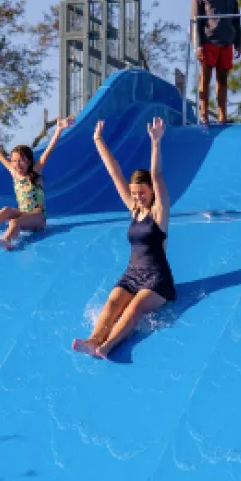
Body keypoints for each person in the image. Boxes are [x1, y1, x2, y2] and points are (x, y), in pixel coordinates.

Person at [73, 117, 175, 359]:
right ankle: (93, 339)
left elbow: (157, 175)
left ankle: (106, 346)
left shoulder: (159, 213)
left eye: (142, 192)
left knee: (134, 308)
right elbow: (114, 172)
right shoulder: (134, 210)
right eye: (134, 193)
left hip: (157, 279)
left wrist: (156, 143)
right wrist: (98, 140)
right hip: (132, 274)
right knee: (112, 303)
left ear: (151, 191)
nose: (138, 197)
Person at [0, 112, 72, 248]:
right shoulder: (14, 172)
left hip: (38, 218)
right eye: (14, 161)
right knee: (6, 210)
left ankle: (6, 240)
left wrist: (58, 129)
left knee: (14, 223)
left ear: (28, 161)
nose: (17, 164)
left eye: (21, 161)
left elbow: (49, 150)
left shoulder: (35, 172)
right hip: (24, 214)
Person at [191, 0, 241, 125]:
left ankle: (222, 116)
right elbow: (195, 20)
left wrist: (238, 42)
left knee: (222, 80)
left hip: (226, 40)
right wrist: (198, 44)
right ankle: (204, 113)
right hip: (208, 41)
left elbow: (236, 18)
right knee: (205, 78)